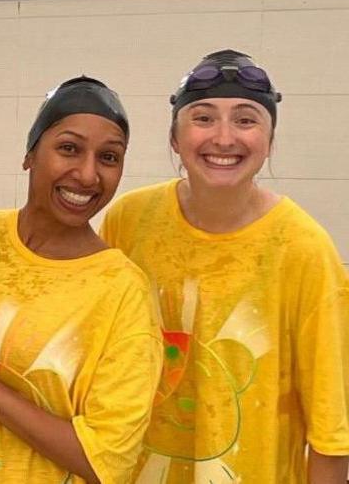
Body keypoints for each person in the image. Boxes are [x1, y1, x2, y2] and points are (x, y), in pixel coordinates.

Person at [101, 50, 349, 483]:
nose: (224, 138)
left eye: (246, 119)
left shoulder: (304, 250)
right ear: (175, 139)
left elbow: (331, 431)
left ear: (270, 140)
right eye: (203, 118)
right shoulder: (129, 221)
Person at [0, 77, 161, 484]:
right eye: (69, 149)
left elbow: (105, 462)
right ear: (30, 154)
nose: (88, 174)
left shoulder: (122, 291)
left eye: (109, 158)